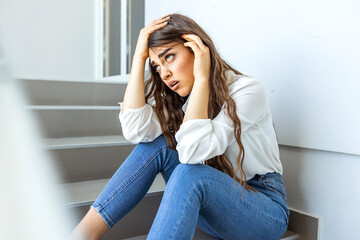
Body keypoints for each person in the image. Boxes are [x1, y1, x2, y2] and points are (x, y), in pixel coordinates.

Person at [72, 13, 289, 240]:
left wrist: (202, 78)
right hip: (216, 206)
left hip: (264, 212)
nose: (164, 73)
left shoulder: (247, 91)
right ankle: (81, 235)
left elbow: (192, 153)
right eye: (156, 66)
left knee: (189, 173)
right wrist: (138, 57)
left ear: (197, 50)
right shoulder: (181, 103)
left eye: (170, 57)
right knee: (159, 144)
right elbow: (135, 130)